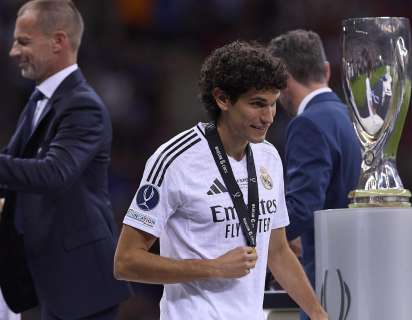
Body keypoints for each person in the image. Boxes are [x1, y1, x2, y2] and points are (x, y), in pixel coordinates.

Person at [113, 41, 327, 320]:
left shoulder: (268, 158)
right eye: (257, 104)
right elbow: (126, 261)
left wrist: (318, 313)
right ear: (222, 99)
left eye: (273, 104)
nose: (268, 117)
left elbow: (277, 251)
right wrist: (213, 268)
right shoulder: (173, 160)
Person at [0, 1, 132, 319]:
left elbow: (55, 173)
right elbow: (12, 163)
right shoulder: (39, 101)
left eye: (24, 41)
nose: (14, 52)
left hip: (80, 283)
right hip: (49, 276)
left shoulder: (83, 106)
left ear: (58, 41)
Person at [268, 29, 361, 306]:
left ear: (282, 81)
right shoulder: (354, 119)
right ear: (327, 70)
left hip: (328, 282)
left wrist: (250, 240)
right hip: (360, 274)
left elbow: (302, 210)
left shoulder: (308, 123)